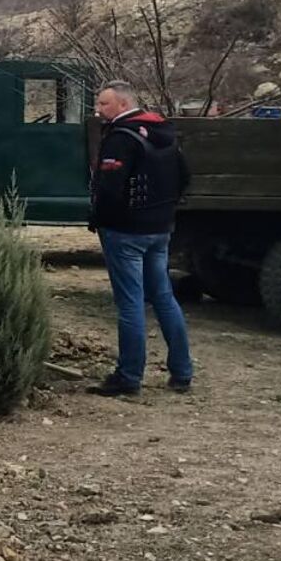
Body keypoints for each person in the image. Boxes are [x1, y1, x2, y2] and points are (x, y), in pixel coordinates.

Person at [88, 80, 194, 397]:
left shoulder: (121, 137)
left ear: (123, 104)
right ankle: (182, 372)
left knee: (130, 303)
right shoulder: (165, 131)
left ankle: (129, 376)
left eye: (104, 104)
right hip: (160, 229)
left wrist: (99, 220)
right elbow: (185, 176)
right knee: (164, 298)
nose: (98, 109)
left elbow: (109, 188)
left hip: (126, 232)